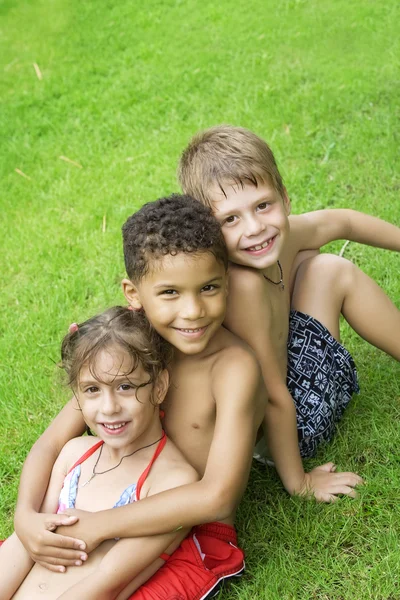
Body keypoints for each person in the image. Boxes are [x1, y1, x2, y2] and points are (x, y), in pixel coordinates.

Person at [11, 196, 264, 599]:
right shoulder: (132, 348)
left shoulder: (232, 367)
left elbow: (215, 497)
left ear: (226, 282)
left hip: (188, 527)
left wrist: (102, 524)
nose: (193, 310)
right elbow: (52, 442)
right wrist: (24, 516)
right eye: (170, 293)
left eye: (209, 288)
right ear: (134, 293)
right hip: (116, 495)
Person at [178, 124, 400, 503]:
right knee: (330, 270)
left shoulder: (281, 236)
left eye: (263, 205)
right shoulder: (240, 287)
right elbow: (274, 395)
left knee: (314, 262)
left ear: (284, 198)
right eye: (230, 219)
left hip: (290, 391)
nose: (255, 228)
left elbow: (343, 221)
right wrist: (300, 482)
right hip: (287, 428)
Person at [0, 306, 198, 599]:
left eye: (125, 386)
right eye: (92, 389)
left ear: (159, 386)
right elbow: (25, 545)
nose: (109, 408)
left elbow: (107, 584)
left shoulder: (172, 483)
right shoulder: (74, 455)